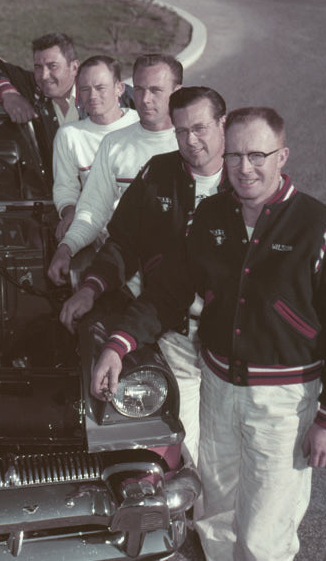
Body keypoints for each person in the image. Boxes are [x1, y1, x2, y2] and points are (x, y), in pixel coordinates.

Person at [91, 107, 326, 561]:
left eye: (258, 155)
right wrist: (119, 344)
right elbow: (167, 292)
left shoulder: (319, 227)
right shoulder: (210, 216)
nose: (244, 168)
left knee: (263, 537)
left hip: (282, 405)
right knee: (215, 521)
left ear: (283, 156)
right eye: (236, 154)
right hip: (218, 392)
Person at [61, 86, 229, 467]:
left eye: (200, 128)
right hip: (172, 333)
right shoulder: (158, 172)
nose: (190, 140)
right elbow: (123, 244)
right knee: (184, 450)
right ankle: (195, 522)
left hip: (232, 345)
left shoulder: (245, 183)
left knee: (230, 455)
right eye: (181, 130)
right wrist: (91, 286)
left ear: (224, 123)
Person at [48, 54, 183, 284]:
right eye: (139, 89)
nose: (145, 99)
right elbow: (92, 210)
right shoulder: (112, 144)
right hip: (127, 274)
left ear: (177, 91)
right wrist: (66, 248)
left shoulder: (192, 141)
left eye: (156, 90)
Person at [52, 55, 139, 241]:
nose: (92, 96)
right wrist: (69, 213)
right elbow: (65, 188)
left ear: (119, 88)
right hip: (97, 234)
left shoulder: (142, 124)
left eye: (100, 88)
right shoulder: (69, 135)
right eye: (85, 89)